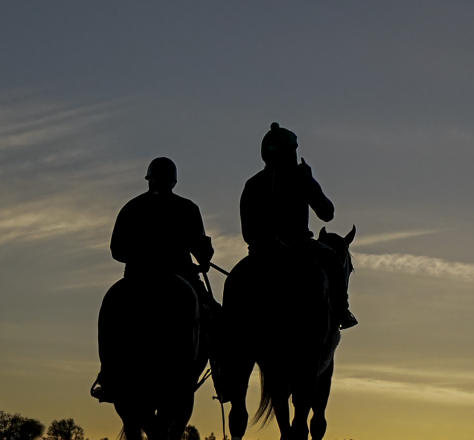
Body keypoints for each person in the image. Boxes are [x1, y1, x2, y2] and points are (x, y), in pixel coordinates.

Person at [91, 157, 215, 402]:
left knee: (110, 317)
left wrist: (142, 255)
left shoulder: (132, 207)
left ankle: (108, 376)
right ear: (174, 181)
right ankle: (224, 379)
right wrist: (204, 256)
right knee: (214, 317)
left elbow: (116, 250)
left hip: (138, 277)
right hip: (180, 274)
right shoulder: (188, 208)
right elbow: (201, 251)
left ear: (149, 179)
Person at [240, 122, 357, 329]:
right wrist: (310, 181)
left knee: (238, 283)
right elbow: (327, 213)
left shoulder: (253, 183)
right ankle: (341, 310)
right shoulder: (300, 178)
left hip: (261, 253)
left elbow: (248, 231)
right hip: (299, 248)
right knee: (331, 259)